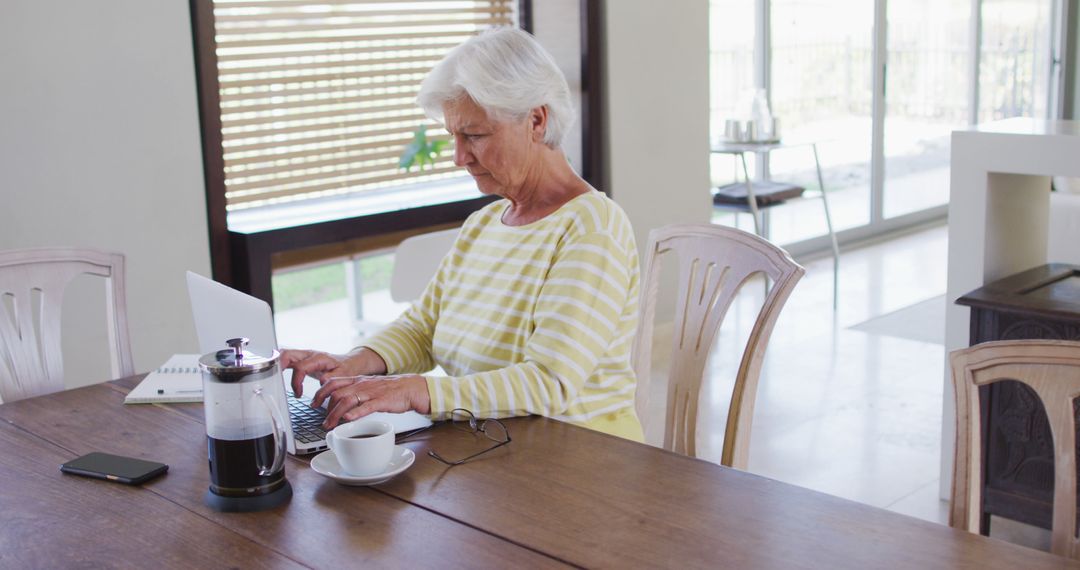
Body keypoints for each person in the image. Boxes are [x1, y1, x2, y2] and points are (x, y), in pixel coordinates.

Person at [280, 27, 643, 441]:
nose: (458, 157)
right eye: (454, 136)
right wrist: (352, 363)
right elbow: (423, 328)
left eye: (475, 135)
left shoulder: (592, 228)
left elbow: (549, 382)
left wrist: (416, 391)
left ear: (536, 121)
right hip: (488, 447)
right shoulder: (484, 225)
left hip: (578, 463)